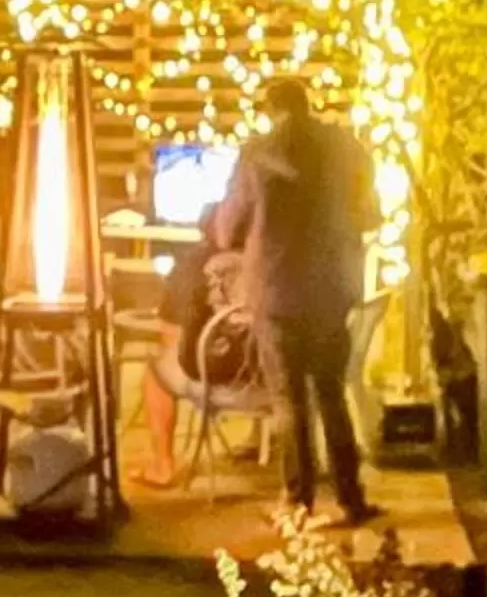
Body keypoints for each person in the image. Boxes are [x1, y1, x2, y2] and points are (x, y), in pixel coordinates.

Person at [210, 77, 378, 524]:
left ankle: (297, 500)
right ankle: (351, 498)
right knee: (331, 395)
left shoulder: (256, 153)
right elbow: (371, 212)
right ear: (308, 104)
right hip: (331, 288)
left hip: (278, 289)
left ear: (269, 109)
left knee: (288, 401)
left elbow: (227, 229)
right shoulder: (346, 147)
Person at [132, 241, 252, 488]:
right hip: (277, 384)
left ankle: (162, 466)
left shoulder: (195, 264)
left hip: (218, 384)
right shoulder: (275, 258)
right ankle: (271, 439)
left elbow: (173, 339)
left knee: (156, 375)